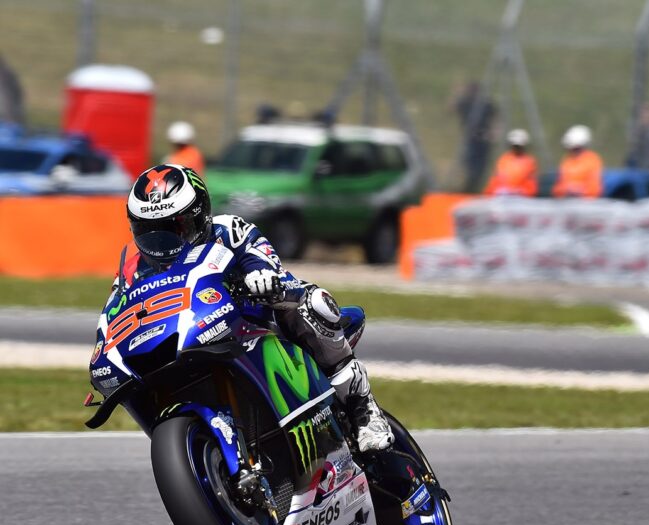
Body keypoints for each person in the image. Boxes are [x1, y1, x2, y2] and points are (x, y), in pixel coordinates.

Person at [115, 164, 393, 452]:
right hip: (193, 339)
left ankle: (363, 408)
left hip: (254, 323)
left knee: (315, 303)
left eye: (174, 229)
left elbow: (265, 260)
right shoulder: (133, 269)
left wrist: (261, 276)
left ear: (201, 214)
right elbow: (117, 310)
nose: (163, 246)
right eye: (150, 233)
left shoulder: (229, 230)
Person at [452, 81, 497, 193]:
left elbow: (495, 117)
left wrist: (495, 132)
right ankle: (468, 185)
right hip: (470, 138)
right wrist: (457, 94)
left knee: (480, 165)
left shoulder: (485, 104)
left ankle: (474, 185)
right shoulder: (465, 102)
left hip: (483, 137)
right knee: (469, 164)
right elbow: (451, 108)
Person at [552, 125, 603, 199]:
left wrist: (580, 190)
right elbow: (557, 188)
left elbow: (595, 189)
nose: (572, 151)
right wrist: (566, 189)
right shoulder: (567, 161)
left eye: (576, 148)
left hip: (586, 205)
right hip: (567, 203)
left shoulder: (592, 160)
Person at [483, 128, 538, 197]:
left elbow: (531, 185)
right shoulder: (504, 160)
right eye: (514, 146)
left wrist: (519, 191)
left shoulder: (529, 162)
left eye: (518, 146)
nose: (516, 149)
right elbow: (496, 180)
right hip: (501, 196)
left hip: (521, 197)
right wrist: (493, 191)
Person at [624, 102, 649, 170]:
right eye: (644, 114)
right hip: (635, 164)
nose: (647, 116)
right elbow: (632, 143)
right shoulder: (633, 128)